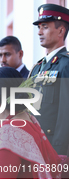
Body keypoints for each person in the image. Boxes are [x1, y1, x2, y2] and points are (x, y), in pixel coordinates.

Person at [30, 3, 69, 155]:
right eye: (39, 27)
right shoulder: (37, 67)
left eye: (45, 27)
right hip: (33, 145)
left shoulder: (65, 65)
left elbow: (66, 111)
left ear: (60, 31)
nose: (39, 32)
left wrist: (59, 151)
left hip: (52, 147)